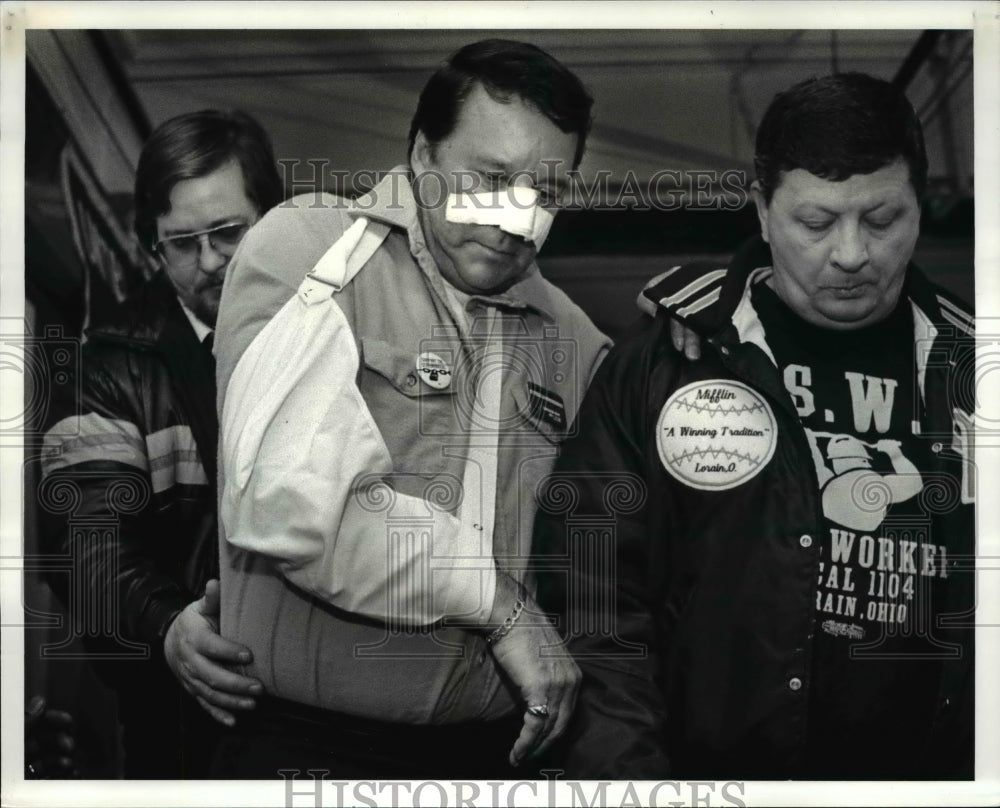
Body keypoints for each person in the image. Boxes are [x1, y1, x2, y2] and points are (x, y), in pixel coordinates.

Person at [536, 72, 974, 780]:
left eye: (883, 219)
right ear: (763, 213)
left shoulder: (977, 382)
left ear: (919, 209)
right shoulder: (667, 368)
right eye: (816, 222)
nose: (852, 254)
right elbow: (594, 601)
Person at [212, 39, 611, 778]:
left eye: (547, 194)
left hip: (489, 755)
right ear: (423, 157)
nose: (516, 219)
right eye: (492, 179)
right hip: (309, 748)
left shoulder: (574, 337)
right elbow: (292, 504)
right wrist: (502, 607)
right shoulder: (313, 249)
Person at [40, 109, 284, 777]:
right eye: (180, 242)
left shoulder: (337, 338)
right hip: (181, 734)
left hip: (332, 727)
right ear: (152, 242)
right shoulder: (107, 365)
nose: (209, 262)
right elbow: (84, 542)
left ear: (275, 219)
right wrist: (170, 626)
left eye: (229, 232)